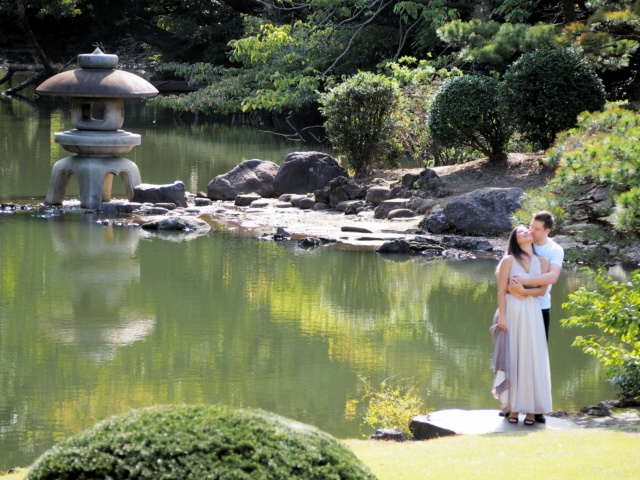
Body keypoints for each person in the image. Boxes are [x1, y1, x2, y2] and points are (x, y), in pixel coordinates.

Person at [493, 225, 552, 426]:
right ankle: (514, 407)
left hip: (532, 312)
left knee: (531, 357)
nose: (526, 232)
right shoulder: (508, 260)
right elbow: (502, 291)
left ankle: (531, 411)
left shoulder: (542, 262)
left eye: (527, 230)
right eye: (521, 232)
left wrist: (524, 291)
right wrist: (503, 316)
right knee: (514, 356)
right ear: (515, 240)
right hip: (512, 311)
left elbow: (543, 291)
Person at [508, 211, 564, 423]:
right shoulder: (522, 243)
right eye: (531, 226)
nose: (531, 231)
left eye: (537, 229)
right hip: (517, 308)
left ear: (547, 230)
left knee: (536, 357)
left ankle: (536, 407)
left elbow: (552, 277)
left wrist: (525, 283)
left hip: (540, 308)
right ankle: (511, 405)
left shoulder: (553, 250)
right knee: (513, 354)